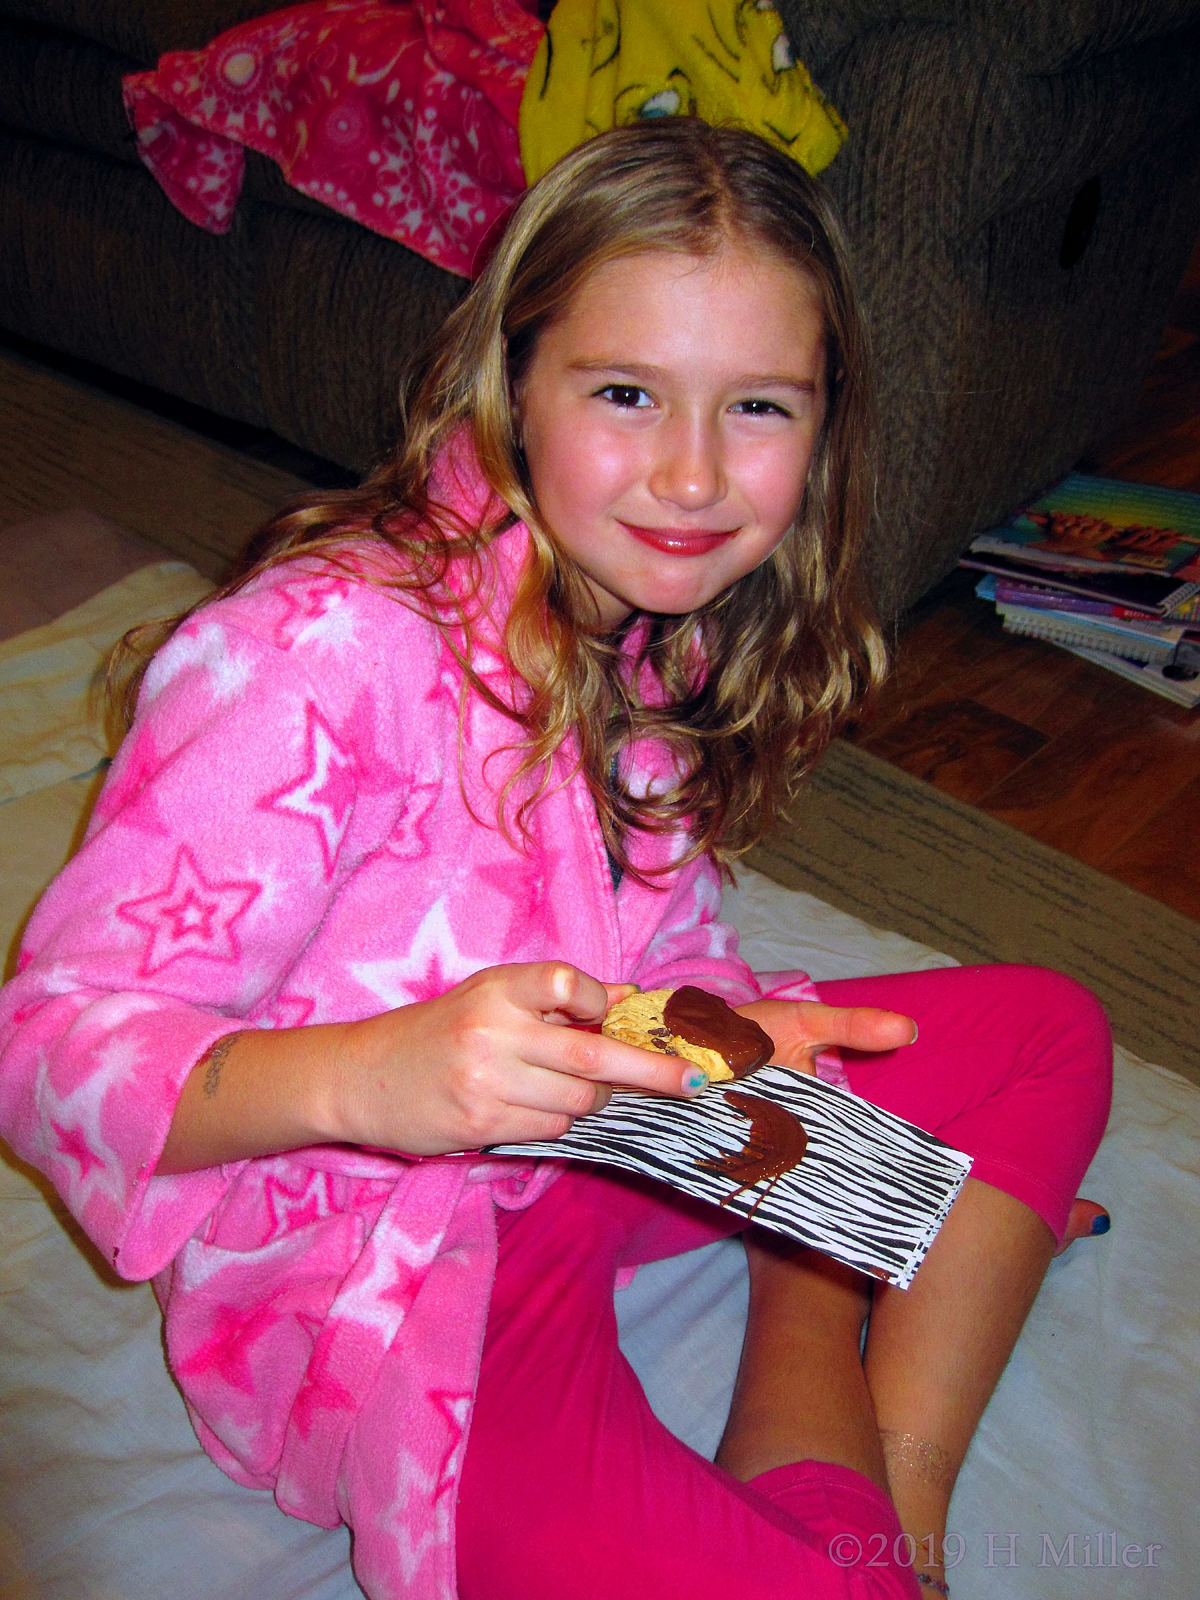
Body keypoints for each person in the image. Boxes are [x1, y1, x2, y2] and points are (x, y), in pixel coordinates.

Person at [0, 120, 1111, 1600]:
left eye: (760, 407)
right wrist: (367, 1076)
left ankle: (861, 1392)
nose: (694, 474)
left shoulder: (654, 616)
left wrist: (719, 1039)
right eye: (628, 393)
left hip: (603, 1121)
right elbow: (47, 1041)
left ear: (828, 422)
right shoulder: (307, 658)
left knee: (1051, 1033)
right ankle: (819, 1263)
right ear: (515, 382)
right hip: (388, 1272)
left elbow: (659, 950)